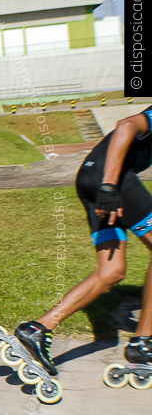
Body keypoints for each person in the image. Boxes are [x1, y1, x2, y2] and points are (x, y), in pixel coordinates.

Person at [13, 105, 152, 373]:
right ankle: (143, 343)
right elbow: (126, 125)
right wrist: (109, 186)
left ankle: (38, 329)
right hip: (110, 181)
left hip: (92, 178)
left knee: (111, 271)